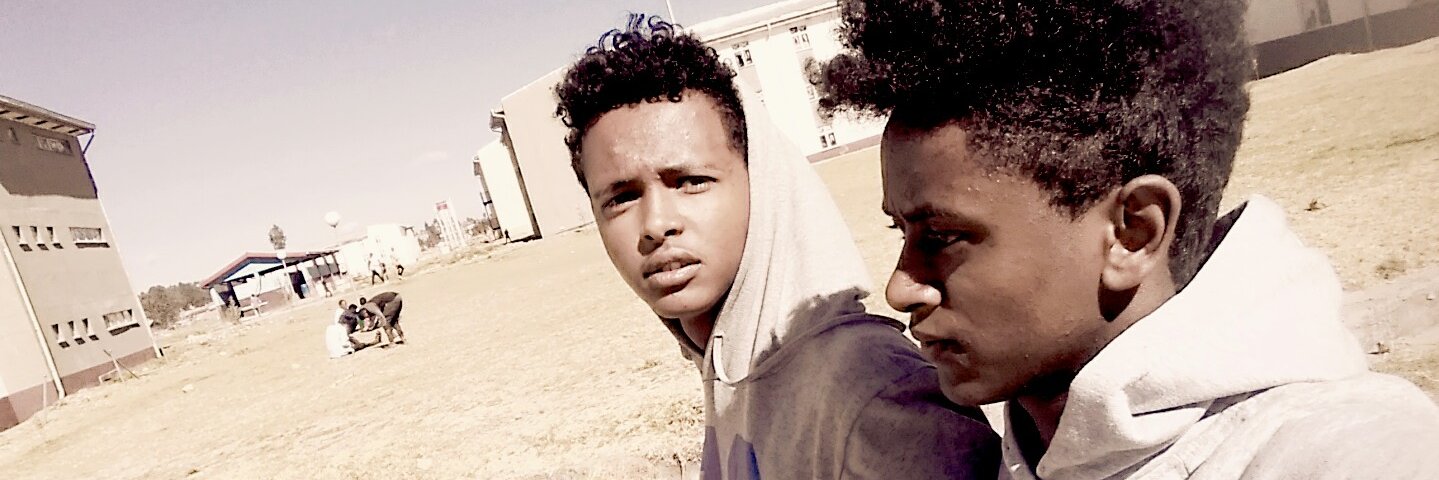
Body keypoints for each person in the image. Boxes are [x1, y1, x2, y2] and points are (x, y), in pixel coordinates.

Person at [815, 1, 1439, 478]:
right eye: (900, 231)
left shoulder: (1352, 455)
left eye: (943, 236)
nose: (900, 289)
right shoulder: (1016, 449)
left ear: (1133, 233)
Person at [554, 15, 997, 479]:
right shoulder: (730, 365)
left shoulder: (878, 401)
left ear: (759, 181)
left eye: (691, 181)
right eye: (621, 198)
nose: (656, 224)